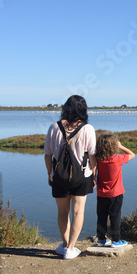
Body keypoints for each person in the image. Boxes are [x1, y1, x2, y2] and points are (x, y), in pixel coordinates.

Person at [44, 95, 97, 259]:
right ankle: (71, 248)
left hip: (59, 177)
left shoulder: (54, 127)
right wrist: (94, 174)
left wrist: (49, 173)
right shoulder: (88, 129)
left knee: (62, 212)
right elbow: (93, 155)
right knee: (77, 212)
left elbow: (47, 155)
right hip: (82, 176)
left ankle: (65, 244)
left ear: (65, 108)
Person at [95, 133, 135, 247]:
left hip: (101, 193)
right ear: (114, 147)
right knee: (115, 216)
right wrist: (121, 146)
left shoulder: (98, 159)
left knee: (101, 216)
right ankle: (116, 240)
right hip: (116, 194)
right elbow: (132, 154)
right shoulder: (118, 158)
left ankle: (101, 239)